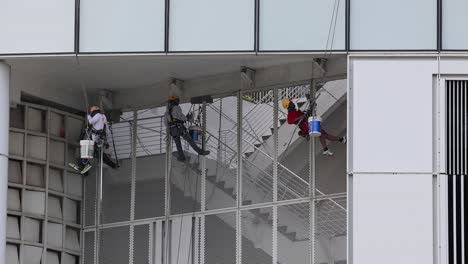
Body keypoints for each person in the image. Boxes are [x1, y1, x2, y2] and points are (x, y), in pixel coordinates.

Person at [282, 98, 346, 156]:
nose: (293, 103)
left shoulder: (296, 111)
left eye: (291, 102)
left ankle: (326, 149)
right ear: (288, 106)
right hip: (308, 127)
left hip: (310, 124)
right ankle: (341, 140)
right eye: (291, 103)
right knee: (324, 134)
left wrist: (308, 111)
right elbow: (289, 121)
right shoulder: (290, 115)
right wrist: (300, 117)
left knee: (323, 134)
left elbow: (303, 116)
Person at [69, 106, 118, 174]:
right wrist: (106, 140)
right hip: (100, 137)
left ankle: (84, 164)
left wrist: (88, 115)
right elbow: (106, 129)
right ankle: (112, 164)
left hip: (96, 137)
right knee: (96, 152)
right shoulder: (103, 116)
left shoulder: (98, 115)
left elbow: (91, 122)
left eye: (92, 111)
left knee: (88, 149)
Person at [164, 96, 210, 161]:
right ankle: (200, 152)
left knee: (178, 144)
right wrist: (187, 119)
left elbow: (165, 123)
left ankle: (182, 157)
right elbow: (181, 116)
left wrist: (171, 127)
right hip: (180, 127)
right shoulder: (176, 107)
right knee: (190, 140)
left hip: (173, 129)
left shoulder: (167, 112)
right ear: (175, 102)